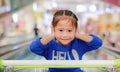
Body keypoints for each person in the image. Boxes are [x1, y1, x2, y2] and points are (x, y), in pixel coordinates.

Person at [30, 10, 103, 72]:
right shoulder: (49, 46)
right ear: (53, 28)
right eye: (60, 30)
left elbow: (98, 43)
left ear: (76, 29)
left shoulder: (79, 44)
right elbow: (34, 47)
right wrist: (52, 35)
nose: (65, 35)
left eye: (69, 30)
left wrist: (78, 35)